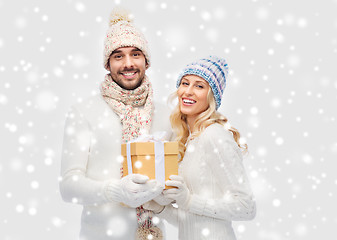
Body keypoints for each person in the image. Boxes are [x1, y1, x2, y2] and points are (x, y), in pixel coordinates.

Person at [59, 8, 171, 240]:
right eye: (118, 56)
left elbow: (177, 185)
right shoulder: (84, 112)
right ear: (107, 64)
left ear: (146, 61)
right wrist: (115, 191)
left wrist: (167, 197)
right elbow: (68, 187)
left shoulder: (166, 115)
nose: (128, 63)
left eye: (135, 54)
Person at [144, 56, 256, 239]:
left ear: (212, 97)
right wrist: (160, 208)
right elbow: (193, 220)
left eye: (199, 86)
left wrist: (188, 200)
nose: (188, 91)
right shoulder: (189, 140)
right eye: (185, 83)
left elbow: (246, 208)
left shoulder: (215, 136)